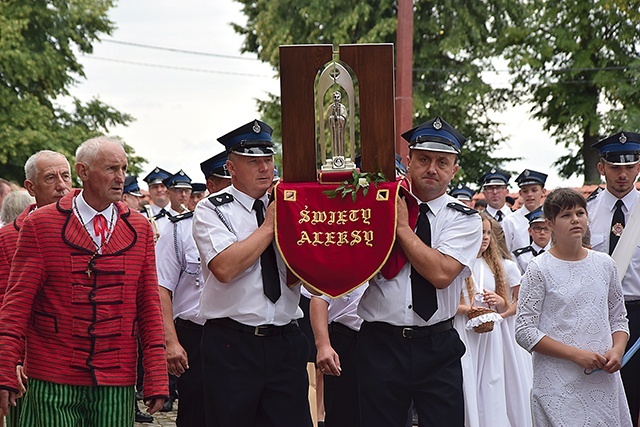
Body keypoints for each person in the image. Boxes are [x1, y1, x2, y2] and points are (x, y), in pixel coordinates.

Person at [0, 137, 168, 426]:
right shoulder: (41, 225)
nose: (121, 178)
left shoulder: (139, 227)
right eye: (111, 168)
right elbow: (16, 305)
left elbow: (148, 305)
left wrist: (156, 374)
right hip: (52, 377)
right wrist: (5, 369)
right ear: (84, 171)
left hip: (115, 378)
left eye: (123, 168)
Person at [356, 116, 482, 427]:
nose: (432, 169)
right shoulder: (376, 207)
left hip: (437, 344)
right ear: (408, 161)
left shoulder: (464, 218)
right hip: (380, 342)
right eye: (423, 159)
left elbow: (441, 274)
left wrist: (400, 228)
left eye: (442, 162)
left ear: (454, 169)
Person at [192, 120, 312, 427]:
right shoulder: (213, 210)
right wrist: (270, 225)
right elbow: (225, 267)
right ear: (231, 168)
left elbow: (303, 271)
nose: (264, 169)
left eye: (268, 160)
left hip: (285, 338)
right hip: (234, 343)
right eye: (253, 162)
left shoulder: (289, 205)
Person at [516, 187, 631, 426]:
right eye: (566, 215)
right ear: (550, 223)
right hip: (558, 382)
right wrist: (576, 355)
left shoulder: (604, 264)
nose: (575, 219)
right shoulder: (539, 269)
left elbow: (618, 318)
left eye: (580, 213)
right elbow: (525, 331)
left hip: (602, 381)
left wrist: (618, 350)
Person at [0, 150, 72, 427]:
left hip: (84, 361)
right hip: (31, 366)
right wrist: (12, 359)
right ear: (31, 187)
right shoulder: (9, 238)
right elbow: (7, 303)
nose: (62, 186)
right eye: (51, 178)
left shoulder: (90, 229)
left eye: (65, 176)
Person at [587, 131, 640, 425]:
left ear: (638, 167)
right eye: (615, 167)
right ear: (601, 167)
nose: (622, 174)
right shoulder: (585, 212)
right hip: (597, 315)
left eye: (629, 167)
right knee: (597, 397)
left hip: (638, 310)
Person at [454, 211, 511, 427]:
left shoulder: (493, 266)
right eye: (480, 232)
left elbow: (505, 304)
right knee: (467, 376)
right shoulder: (459, 264)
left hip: (489, 334)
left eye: (488, 233)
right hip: (465, 330)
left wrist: (497, 300)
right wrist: (468, 308)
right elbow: (449, 305)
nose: (485, 237)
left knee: (491, 379)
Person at [311, 285, 367, 427]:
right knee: (342, 413)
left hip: (388, 338)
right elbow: (319, 297)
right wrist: (323, 345)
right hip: (347, 336)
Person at [502, 169, 548, 253]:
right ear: (520, 193)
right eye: (525, 191)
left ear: (543, 192)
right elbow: (506, 252)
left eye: (534, 190)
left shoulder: (551, 218)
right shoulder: (510, 221)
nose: (529, 194)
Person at [513, 208, 552, 274]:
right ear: (530, 231)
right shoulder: (520, 257)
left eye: (546, 229)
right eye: (537, 228)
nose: (542, 232)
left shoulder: (559, 254)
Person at [142, 166, 176, 234]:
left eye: (162, 186)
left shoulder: (179, 214)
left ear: (169, 189)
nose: (159, 190)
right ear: (149, 190)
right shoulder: (143, 216)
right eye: (155, 187)